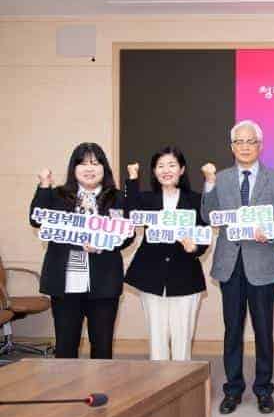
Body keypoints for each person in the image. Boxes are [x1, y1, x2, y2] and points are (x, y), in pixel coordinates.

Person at [200, 120, 274, 415]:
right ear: (232, 147)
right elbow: (208, 215)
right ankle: (233, 389)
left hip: (262, 264)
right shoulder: (221, 179)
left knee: (263, 330)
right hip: (230, 264)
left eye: (250, 141)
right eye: (239, 142)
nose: (245, 147)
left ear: (260, 146)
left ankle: (264, 389)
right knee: (232, 330)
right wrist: (209, 184)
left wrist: (271, 233)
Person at [29, 142, 133, 359]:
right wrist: (44, 185)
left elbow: (127, 234)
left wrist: (103, 243)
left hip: (104, 283)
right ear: (73, 169)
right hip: (65, 284)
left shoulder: (117, 198)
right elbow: (36, 219)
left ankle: (101, 382)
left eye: (95, 163)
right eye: (83, 164)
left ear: (104, 168)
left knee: (102, 348)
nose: (89, 168)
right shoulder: (58, 195)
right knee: (65, 347)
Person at [124, 146, 208, 361]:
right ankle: (159, 380)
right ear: (154, 171)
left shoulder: (196, 200)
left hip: (185, 276)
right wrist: (132, 179)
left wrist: (195, 247)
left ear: (182, 169)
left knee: (183, 338)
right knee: (157, 338)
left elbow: (204, 234)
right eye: (160, 166)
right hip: (151, 276)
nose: (166, 170)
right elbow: (129, 215)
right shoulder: (146, 199)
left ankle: (183, 381)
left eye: (172, 165)